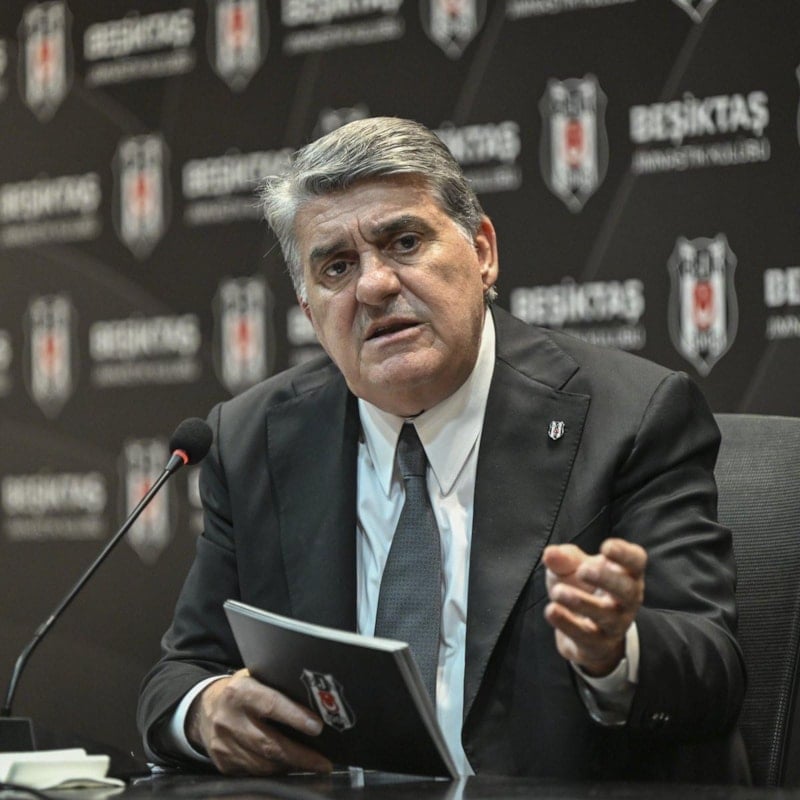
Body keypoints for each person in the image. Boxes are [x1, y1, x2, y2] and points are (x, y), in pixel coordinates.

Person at [137, 117, 749, 783]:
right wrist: (206, 711)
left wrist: (615, 652)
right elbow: (181, 675)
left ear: (482, 252)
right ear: (311, 313)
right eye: (337, 266)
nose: (373, 285)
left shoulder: (630, 417)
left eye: (404, 242)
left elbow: (711, 666)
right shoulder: (250, 438)